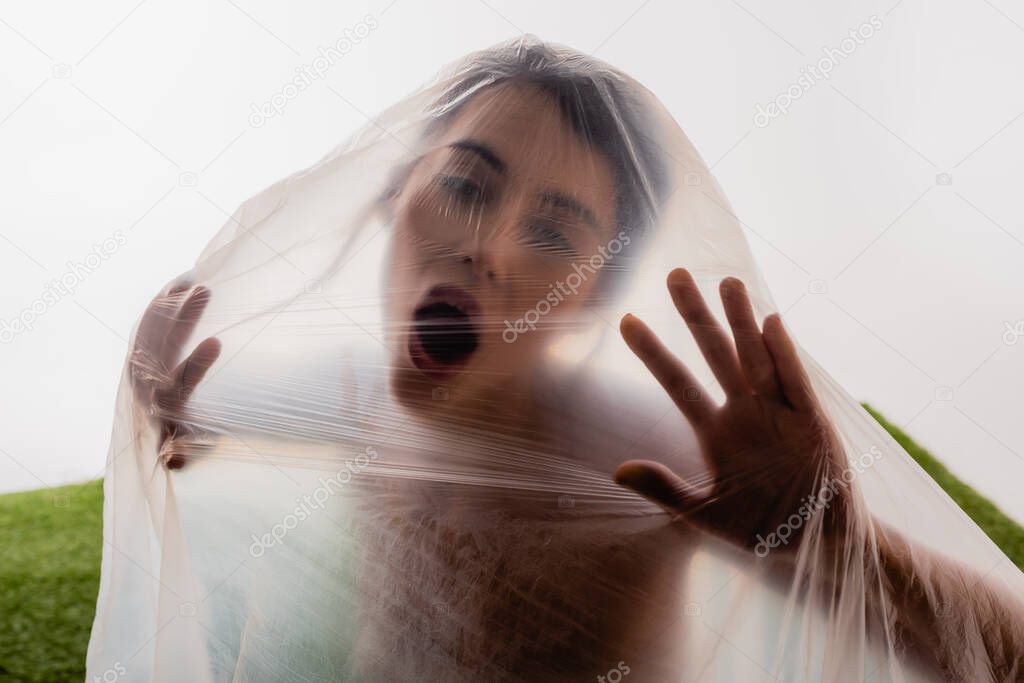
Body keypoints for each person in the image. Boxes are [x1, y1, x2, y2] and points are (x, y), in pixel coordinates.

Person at [123, 40, 1024, 681]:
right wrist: (167, 409)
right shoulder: (354, 395)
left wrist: (827, 533)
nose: (488, 248)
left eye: (555, 229)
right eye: (465, 185)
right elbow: (202, 425)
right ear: (392, 200)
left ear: (591, 296)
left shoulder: (651, 455)